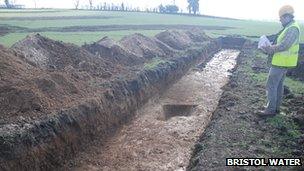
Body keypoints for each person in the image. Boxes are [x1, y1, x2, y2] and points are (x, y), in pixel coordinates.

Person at [260, 5, 301, 117]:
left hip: (281, 63)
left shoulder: (292, 28)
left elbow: (284, 45)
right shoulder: (289, 27)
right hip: (282, 63)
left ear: (287, 16)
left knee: (271, 85)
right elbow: (281, 41)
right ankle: (275, 108)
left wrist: (270, 48)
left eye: (281, 18)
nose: (280, 21)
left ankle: (270, 109)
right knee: (278, 86)